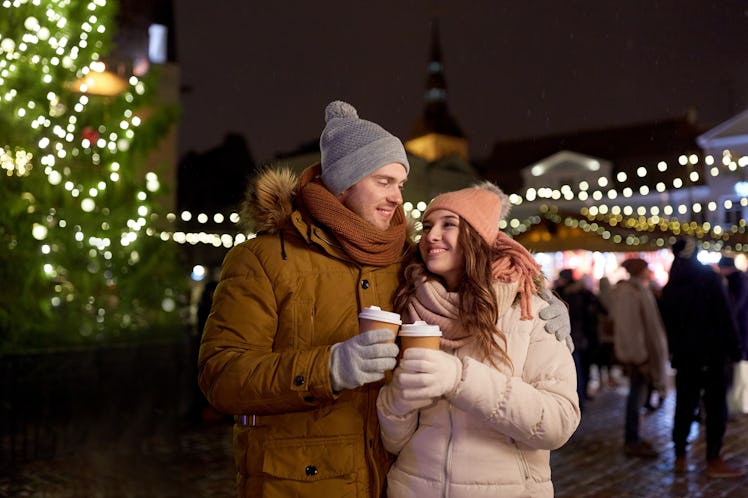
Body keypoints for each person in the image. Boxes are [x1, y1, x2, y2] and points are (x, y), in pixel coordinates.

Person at [197, 100, 573, 497]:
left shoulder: (407, 259)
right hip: (301, 484)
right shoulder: (264, 258)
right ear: (344, 182)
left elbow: (485, 261)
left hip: (390, 480)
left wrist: (543, 296)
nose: (397, 197)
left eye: (401, 184)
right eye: (384, 181)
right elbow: (222, 376)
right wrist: (329, 367)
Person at [376, 183, 580, 498]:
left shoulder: (529, 312)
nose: (431, 236)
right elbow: (396, 442)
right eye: (428, 226)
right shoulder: (410, 307)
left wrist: (461, 379)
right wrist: (399, 400)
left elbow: (558, 423)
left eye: (449, 225)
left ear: (477, 236)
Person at [659, 238, 744, 478]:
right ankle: (713, 459)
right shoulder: (708, 279)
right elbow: (726, 316)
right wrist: (736, 350)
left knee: (685, 405)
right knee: (716, 408)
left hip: (685, 357)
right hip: (713, 354)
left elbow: (668, 325)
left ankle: (680, 456)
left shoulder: (671, 285)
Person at [608, 257, 669, 458]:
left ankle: (634, 438)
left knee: (639, 396)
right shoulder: (629, 292)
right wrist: (638, 356)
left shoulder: (639, 290)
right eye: (646, 268)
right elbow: (631, 328)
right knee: (636, 397)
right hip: (639, 356)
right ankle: (631, 440)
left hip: (645, 354)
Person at [554, 267, 600, 411]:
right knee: (582, 368)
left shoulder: (566, 294)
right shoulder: (583, 292)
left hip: (574, 336)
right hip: (585, 336)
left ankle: (578, 399)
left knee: (575, 369)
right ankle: (582, 397)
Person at [718, 255, 748, 362]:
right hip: (741, 327)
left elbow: (735, 307)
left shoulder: (736, 281)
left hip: (740, 328)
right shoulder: (740, 279)